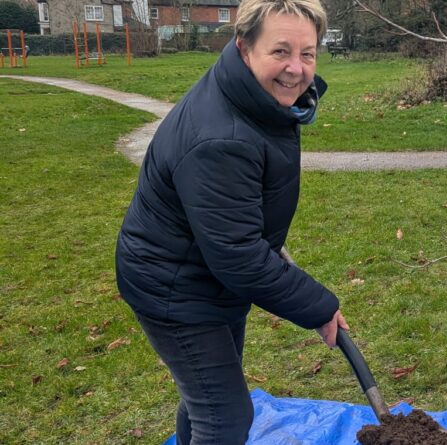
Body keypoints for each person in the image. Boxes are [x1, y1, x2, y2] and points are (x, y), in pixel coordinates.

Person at [114, 0, 348, 443]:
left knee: (207, 397)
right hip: (173, 286)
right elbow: (237, 255)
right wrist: (318, 305)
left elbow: (236, 223)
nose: (297, 69)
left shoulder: (254, 100)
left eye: (308, 53)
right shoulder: (221, 138)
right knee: (225, 417)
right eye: (280, 52)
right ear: (244, 49)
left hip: (205, 275)